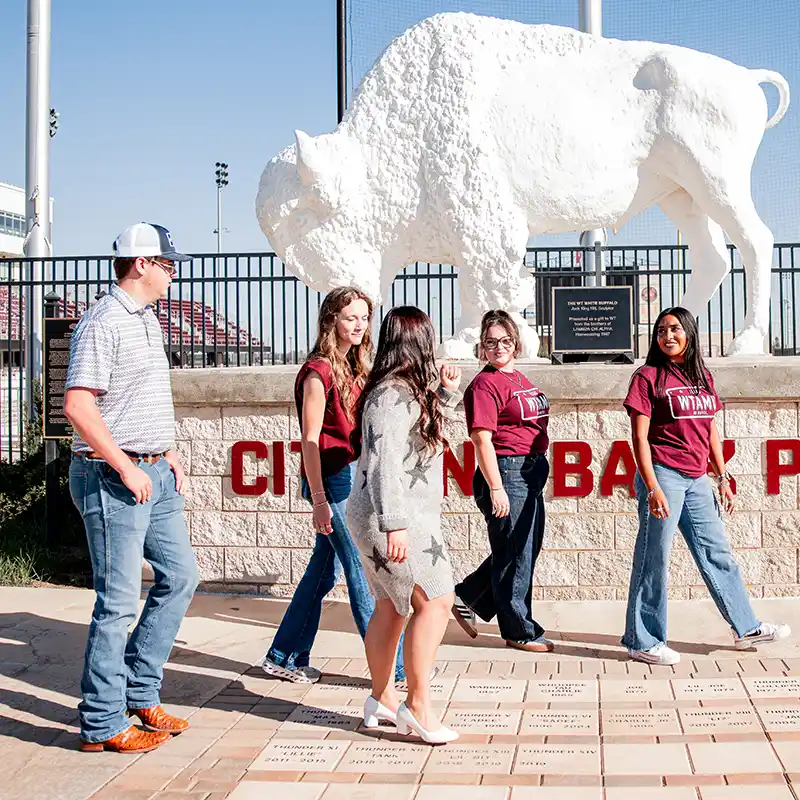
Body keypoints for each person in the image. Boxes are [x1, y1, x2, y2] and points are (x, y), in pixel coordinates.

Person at [64, 223, 199, 754]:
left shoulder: (146, 321)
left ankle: (140, 692)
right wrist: (125, 465)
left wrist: (165, 452)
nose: (173, 272)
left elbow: (139, 397)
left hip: (154, 473)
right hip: (112, 477)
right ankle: (101, 722)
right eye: (168, 263)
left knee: (181, 577)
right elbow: (79, 406)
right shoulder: (103, 322)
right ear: (140, 263)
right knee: (117, 603)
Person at [621, 306, 790, 665]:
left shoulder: (702, 378)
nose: (668, 336)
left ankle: (745, 627)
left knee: (718, 554)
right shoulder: (648, 377)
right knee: (654, 559)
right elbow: (639, 437)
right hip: (664, 474)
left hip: (697, 478)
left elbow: (709, 428)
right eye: (662, 330)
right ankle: (643, 640)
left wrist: (722, 476)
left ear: (690, 334)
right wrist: (652, 487)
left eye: (675, 330)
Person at [261, 287, 405, 684]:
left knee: (323, 573)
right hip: (333, 480)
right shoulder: (318, 372)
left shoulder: (356, 366)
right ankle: (394, 672)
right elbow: (309, 440)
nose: (358, 325)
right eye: (350, 317)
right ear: (331, 321)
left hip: (354, 474)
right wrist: (319, 500)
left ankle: (284, 655)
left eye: (364, 317)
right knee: (362, 569)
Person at [347, 306, 462, 745]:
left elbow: (429, 443)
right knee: (435, 600)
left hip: (400, 512)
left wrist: (447, 395)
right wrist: (394, 524)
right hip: (394, 514)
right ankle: (417, 706)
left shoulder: (405, 390)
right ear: (419, 342)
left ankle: (381, 699)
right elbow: (383, 464)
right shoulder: (390, 396)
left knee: (392, 606)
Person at [450, 310, 553, 653]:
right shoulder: (484, 385)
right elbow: (481, 439)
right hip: (507, 471)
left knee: (522, 548)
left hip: (530, 471)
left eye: (505, 340)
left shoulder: (519, 378)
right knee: (516, 554)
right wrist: (496, 487)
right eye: (490, 342)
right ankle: (518, 630)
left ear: (515, 342)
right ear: (482, 346)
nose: (498, 347)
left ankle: (468, 596)